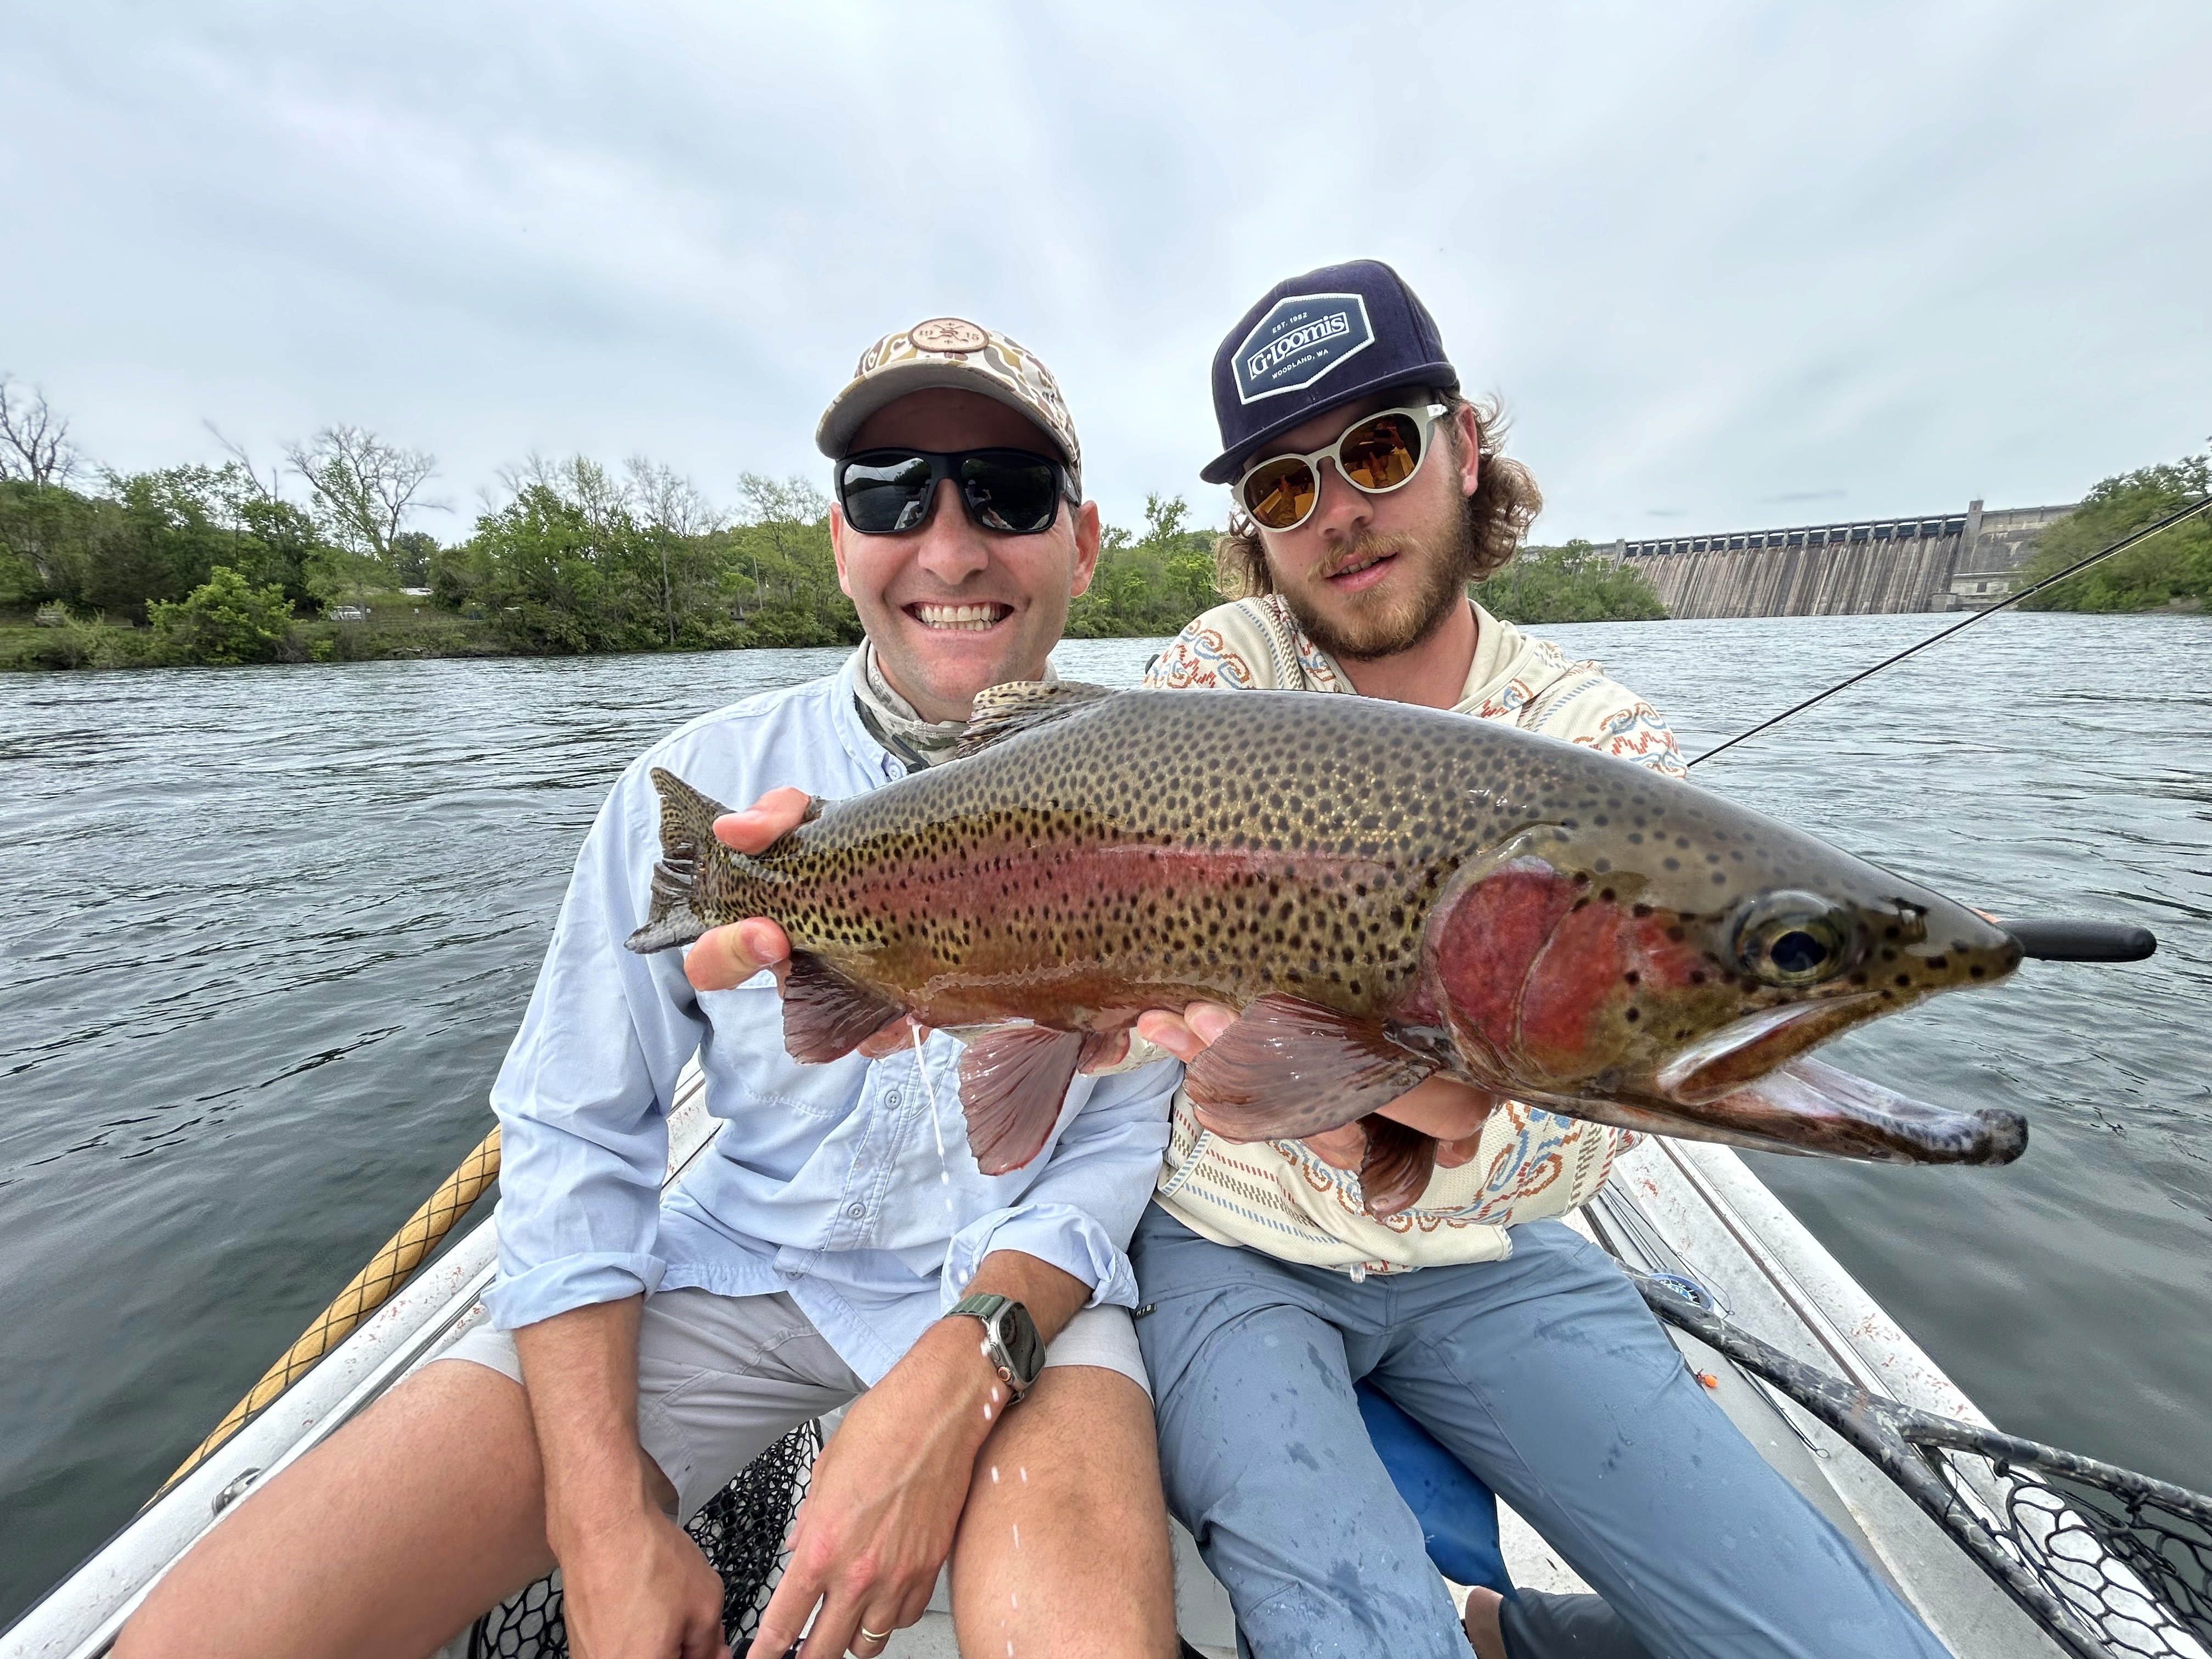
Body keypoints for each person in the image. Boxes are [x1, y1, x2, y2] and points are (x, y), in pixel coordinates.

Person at [115, 318, 1184, 1659]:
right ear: (839, 539)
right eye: (891, 491)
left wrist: (968, 1358)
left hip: (1019, 1289)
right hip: (733, 1270)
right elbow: (576, 1129)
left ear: (1083, 541)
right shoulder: (694, 792)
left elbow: (1119, 1141)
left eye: (1010, 495)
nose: (952, 544)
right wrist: (603, 1521)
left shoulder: (1171, 787)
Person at [1125, 260, 1953, 1659]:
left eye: (1377, 449)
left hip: (1492, 1259)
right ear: (1255, 531)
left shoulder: (1602, 739)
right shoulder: (1225, 671)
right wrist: (1432, 1093)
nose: (1341, 512)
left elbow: (1588, 1146)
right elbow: (1195, 1019)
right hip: (1228, 1247)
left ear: (1462, 448)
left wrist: (1409, 1113)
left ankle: (1505, 1631)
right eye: (1283, 486)